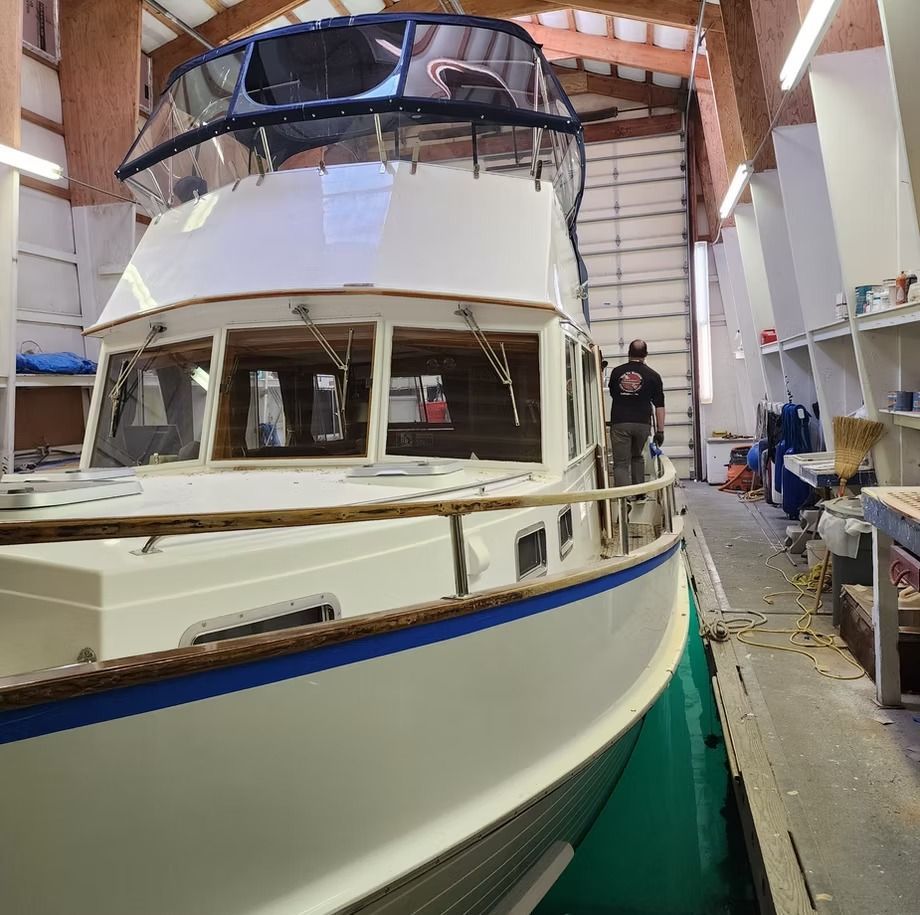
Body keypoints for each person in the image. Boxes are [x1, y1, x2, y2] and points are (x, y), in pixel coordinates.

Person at [608, 339, 665, 487]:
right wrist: (660, 431)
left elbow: (613, 394)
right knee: (637, 457)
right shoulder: (653, 375)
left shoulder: (617, 372)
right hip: (642, 424)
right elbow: (659, 405)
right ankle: (639, 493)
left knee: (621, 463)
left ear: (628, 353)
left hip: (620, 423)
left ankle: (623, 500)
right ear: (646, 354)